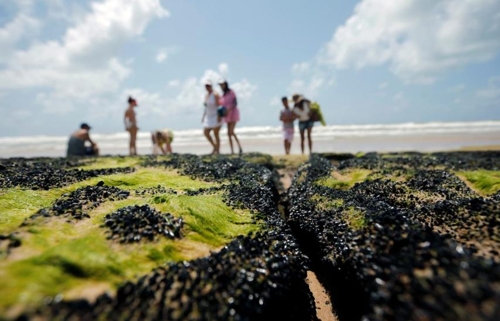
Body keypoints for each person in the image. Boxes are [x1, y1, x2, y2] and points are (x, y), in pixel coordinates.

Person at [219, 79, 243, 155]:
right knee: (228, 133)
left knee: (231, 132)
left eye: (222, 84)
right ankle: (232, 150)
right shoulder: (223, 95)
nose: (221, 86)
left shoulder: (231, 92)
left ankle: (239, 147)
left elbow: (235, 103)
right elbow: (221, 105)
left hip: (233, 113)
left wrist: (229, 109)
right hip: (227, 115)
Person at [202, 80, 222, 154]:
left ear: (211, 86)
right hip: (209, 116)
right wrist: (203, 116)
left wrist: (219, 116)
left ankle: (217, 151)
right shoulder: (206, 95)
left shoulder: (215, 94)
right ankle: (215, 147)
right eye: (206, 86)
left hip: (216, 115)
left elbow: (218, 106)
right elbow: (206, 107)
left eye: (208, 86)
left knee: (216, 133)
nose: (207, 87)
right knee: (206, 132)